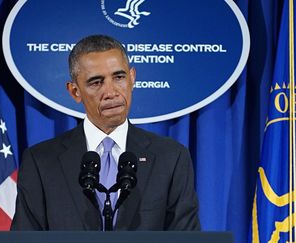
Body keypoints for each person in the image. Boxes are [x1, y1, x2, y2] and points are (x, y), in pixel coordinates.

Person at [11, 35, 200, 230]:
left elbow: (186, 236)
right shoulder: (41, 161)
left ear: (132, 77)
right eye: (96, 82)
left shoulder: (171, 157)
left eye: (119, 77)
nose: (111, 92)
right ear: (75, 92)